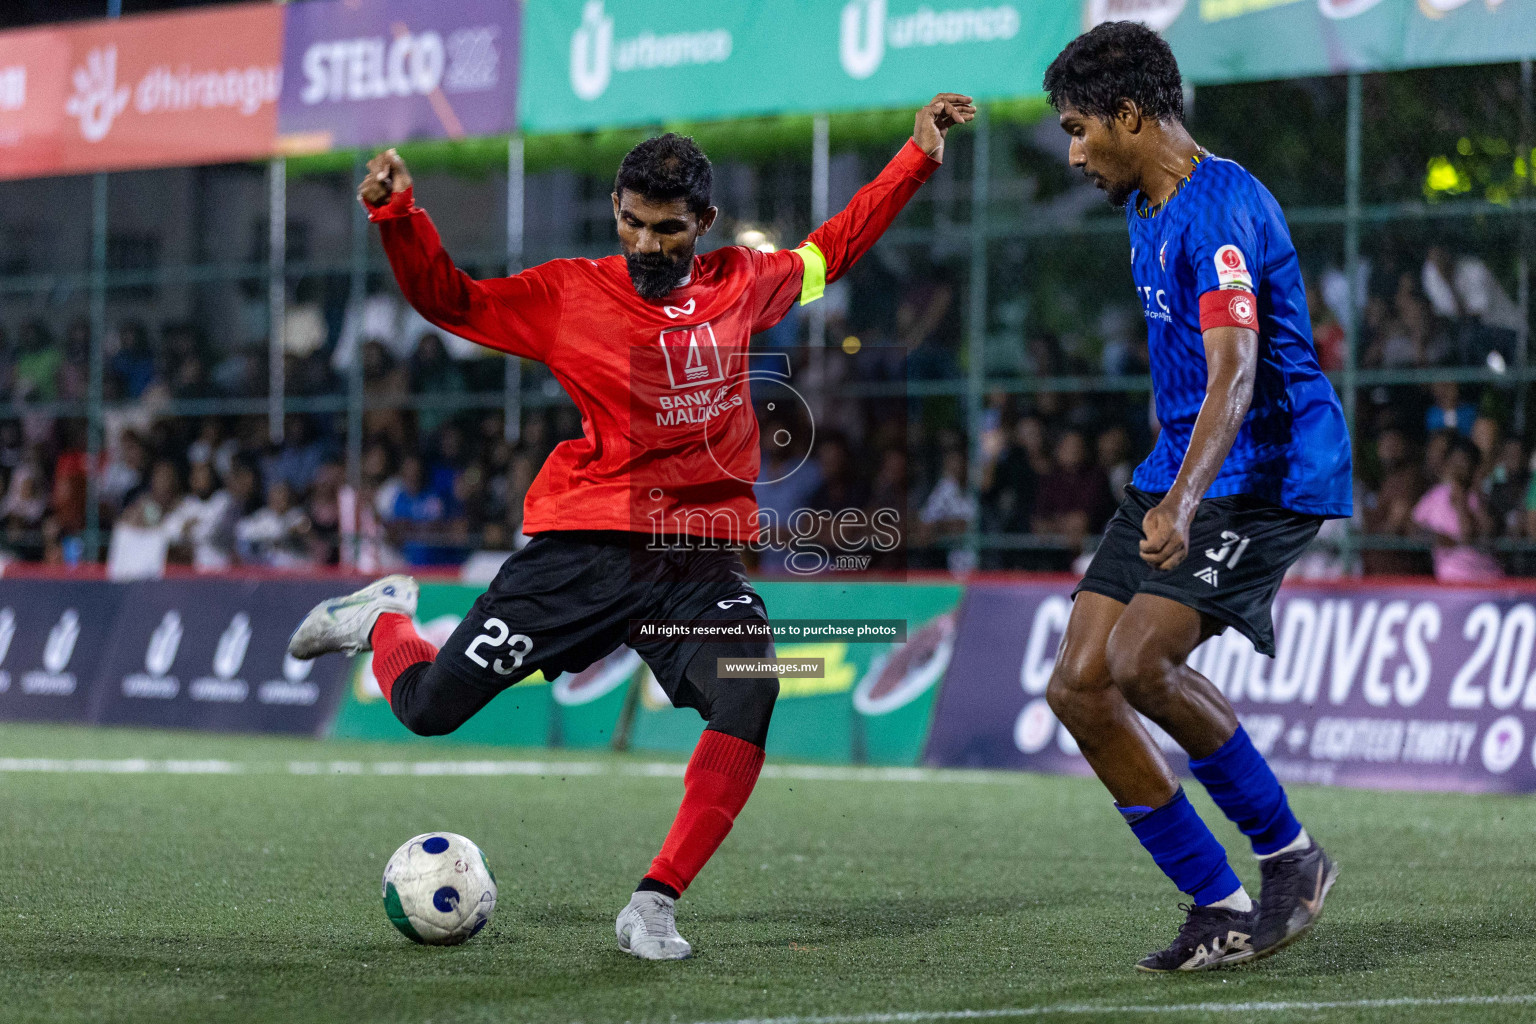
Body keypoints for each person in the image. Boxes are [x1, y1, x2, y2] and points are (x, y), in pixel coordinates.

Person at [288, 95, 974, 961]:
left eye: (670, 229)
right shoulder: (569, 293)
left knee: (749, 689)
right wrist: (399, 216)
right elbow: (450, 301)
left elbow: (833, 248)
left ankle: (654, 903)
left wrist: (915, 159)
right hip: (587, 550)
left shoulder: (743, 284)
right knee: (428, 710)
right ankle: (385, 616)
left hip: (696, 565)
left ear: (706, 223)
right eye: (636, 224)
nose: (649, 245)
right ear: (616, 211)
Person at [1041, 24, 1351, 973]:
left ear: (1131, 117)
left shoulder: (1221, 209)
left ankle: (1292, 857)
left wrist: (1180, 503)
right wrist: (1167, 491)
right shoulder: (1146, 203)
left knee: (1139, 661)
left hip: (1259, 478)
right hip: (1177, 472)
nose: (1074, 152)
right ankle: (1216, 905)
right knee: (1078, 686)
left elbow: (1236, 374)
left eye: (1081, 128)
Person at [1413, 434, 1502, 583]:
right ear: (1447, 463)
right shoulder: (1435, 496)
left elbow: (1477, 533)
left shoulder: (1479, 499)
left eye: (1465, 462)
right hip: (1450, 577)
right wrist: (1434, 536)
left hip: (1489, 578)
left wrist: (1463, 501)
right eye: (1455, 461)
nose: (1459, 467)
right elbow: (1413, 527)